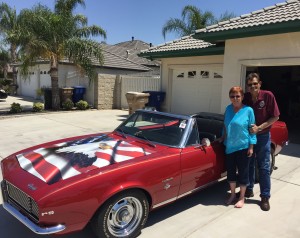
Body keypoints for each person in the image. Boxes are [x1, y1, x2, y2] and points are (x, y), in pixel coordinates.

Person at [243, 72, 280, 211]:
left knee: (263, 166)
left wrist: (259, 128)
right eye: (250, 84)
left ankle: (265, 196)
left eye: (255, 84)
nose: (253, 86)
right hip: (249, 137)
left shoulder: (268, 96)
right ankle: (249, 189)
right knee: (249, 163)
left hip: (263, 136)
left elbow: (275, 116)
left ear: (260, 84)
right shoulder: (245, 98)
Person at [222, 86, 257, 208]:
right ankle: (232, 195)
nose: (235, 98)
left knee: (243, 173)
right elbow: (225, 126)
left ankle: (241, 198)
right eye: (232, 96)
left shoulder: (248, 110)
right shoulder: (228, 109)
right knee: (231, 172)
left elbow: (252, 130)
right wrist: (222, 138)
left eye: (238, 96)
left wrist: (251, 147)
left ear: (242, 97)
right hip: (230, 147)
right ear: (230, 97)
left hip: (243, 147)